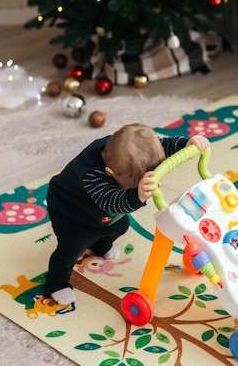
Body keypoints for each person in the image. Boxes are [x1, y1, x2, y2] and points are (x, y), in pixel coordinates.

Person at [45, 123, 210, 306]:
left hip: (101, 214)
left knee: (121, 226)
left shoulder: (127, 153)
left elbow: (162, 146)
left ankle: (100, 245)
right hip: (69, 209)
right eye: (135, 183)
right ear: (111, 173)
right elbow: (113, 202)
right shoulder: (91, 174)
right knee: (72, 246)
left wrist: (186, 143)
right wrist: (138, 194)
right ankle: (56, 283)